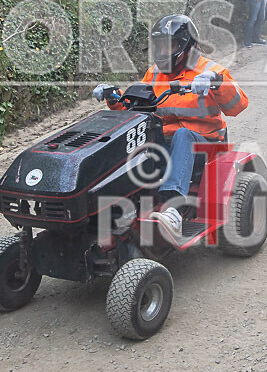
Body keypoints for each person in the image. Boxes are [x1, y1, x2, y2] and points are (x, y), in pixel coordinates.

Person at [93, 15, 249, 237]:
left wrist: (215, 82)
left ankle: (173, 209)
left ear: (187, 44)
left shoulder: (210, 71)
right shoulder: (154, 73)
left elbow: (238, 105)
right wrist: (114, 98)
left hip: (206, 145)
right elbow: (136, 111)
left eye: (171, 46)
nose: (164, 52)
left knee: (183, 135)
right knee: (130, 141)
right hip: (165, 142)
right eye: (160, 46)